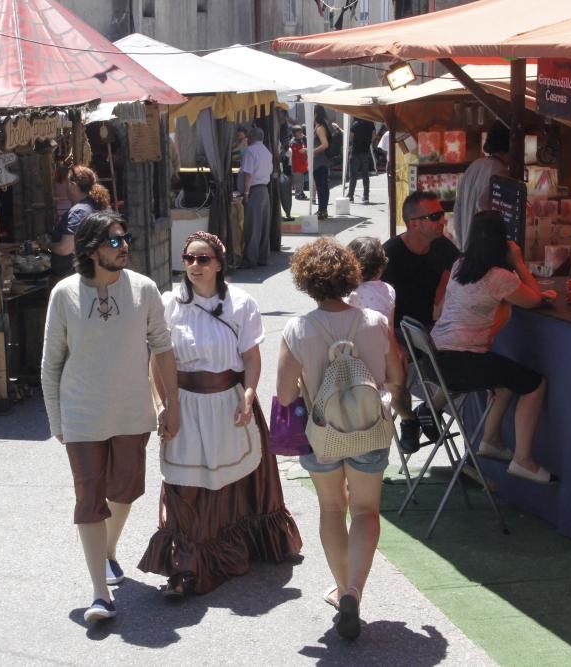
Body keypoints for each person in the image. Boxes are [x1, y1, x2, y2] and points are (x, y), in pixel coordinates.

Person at [138, 231, 302, 597]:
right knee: (185, 485)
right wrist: (162, 404)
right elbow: (156, 361)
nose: (195, 266)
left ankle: (246, 547)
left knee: (233, 483)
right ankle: (185, 568)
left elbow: (250, 356)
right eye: (189, 259)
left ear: (218, 264)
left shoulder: (241, 303)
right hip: (184, 403)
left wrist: (248, 393)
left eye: (204, 259)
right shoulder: (168, 304)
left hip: (228, 400)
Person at [41, 210, 181, 623]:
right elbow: (51, 364)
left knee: (125, 491)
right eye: (115, 241)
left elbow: (163, 347)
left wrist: (170, 403)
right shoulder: (64, 294)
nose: (125, 247)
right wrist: (56, 421)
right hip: (81, 414)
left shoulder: (145, 289)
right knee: (89, 498)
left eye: (125, 238)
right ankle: (100, 595)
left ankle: (107, 553)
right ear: (91, 249)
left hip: (133, 413)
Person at [276, 238, 402, 641]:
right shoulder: (374, 323)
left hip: (322, 435)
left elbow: (283, 395)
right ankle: (354, 591)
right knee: (365, 512)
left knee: (332, 509)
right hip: (369, 430)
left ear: (305, 282)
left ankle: (340, 583)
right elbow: (396, 378)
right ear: (350, 276)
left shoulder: (298, 329)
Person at [430, 211, 558, 484]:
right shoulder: (499, 276)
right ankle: (523, 459)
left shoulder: (460, 264)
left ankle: (490, 440)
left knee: (503, 379)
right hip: (462, 363)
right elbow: (534, 299)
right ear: (503, 242)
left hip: (436, 358)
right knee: (534, 385)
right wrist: (519, 263)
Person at [348, 237, 421, 453]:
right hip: (384, 348)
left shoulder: (348, 293)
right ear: (380, 268)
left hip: (357, 352)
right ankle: (408, 418)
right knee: (396, 386)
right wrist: (398, 352)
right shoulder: (388, 290)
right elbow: (389, 325)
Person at [381, 191, 460, 331]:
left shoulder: (441, 244)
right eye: (435, 217)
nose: (443, 221)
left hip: (428, 328)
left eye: (442, 215)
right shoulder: (388, 256)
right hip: (396, 331)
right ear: (414, 224)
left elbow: (465, 268)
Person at [453, 120, 510, 252]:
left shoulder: (474, 165)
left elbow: (457, 209)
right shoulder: (499, 170)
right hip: (482, 249)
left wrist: (461, 245)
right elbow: (483, 204)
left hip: (467, 247)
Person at [50, 165, 111, 279]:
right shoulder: (100, 205)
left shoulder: (79, 211)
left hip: (72, 276)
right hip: (94, 272)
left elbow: (65, 249)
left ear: (73, 185)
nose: (66, 187)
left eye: (67, 183)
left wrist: (47, 246)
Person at [239, 127, 272, 269]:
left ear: (250, 138)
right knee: (264, 226)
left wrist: (246, 193)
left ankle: (250, 259)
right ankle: (262, 257)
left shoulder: (250, 151)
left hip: (254, 190)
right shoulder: (267, 151)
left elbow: (248, 173)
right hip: (264, 189)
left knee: (252, 226)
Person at [347, 118, 376, 203]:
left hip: (355, 151)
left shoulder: (355, 124)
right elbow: (374, 135)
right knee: (365, 174)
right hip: (365, 151)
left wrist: (354, 142)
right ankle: (366, 196)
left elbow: (350, 137)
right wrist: (369, 141)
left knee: (353, 175)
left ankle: (351, 196)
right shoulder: (370, 123)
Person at [312, 107, 332, 220]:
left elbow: (325, 145)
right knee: (322, 186)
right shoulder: (320, 127)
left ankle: (322, 210)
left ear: (315, 114)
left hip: (320, 161)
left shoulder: (320, 128)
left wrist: (311, 151)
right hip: (320, 161)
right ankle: (322, 210)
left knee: (321, 186)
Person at [291, 125, 309, 201]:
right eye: (299, 132)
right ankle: (298, 193)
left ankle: (300, 192)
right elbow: (297, 153)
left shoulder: (301, 140)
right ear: (295, 133)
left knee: (300, 180)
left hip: (302, 164)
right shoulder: (293, 142)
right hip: (297, 165)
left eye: (301, 131)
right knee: (298, 180)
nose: (301, 133)